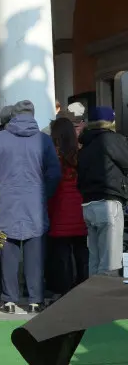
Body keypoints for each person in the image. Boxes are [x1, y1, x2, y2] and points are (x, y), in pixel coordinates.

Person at [0, 100, 61, 314]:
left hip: (5, 200)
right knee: (35, 252)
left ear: (13, 115)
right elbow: (54, 172)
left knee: (8, 252)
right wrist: (44, 193)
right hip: (35, 201)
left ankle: (9, 300)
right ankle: (35, 299)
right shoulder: (43, 140)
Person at [77, 106, 128, 275]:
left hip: (88, 205)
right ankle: (104, 301)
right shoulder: (111, 140)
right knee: (110, 263)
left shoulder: (85, 144)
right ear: (111, 122)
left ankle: (92, 299)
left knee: (95, 259)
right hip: (108, 203)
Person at [46, 117, 88, 297]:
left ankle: (64, 291)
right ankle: (84, 287)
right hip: (81, 210)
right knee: (82, 253)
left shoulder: (53, 156)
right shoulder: (81, 154)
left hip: (59, 209)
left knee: (61, 254)